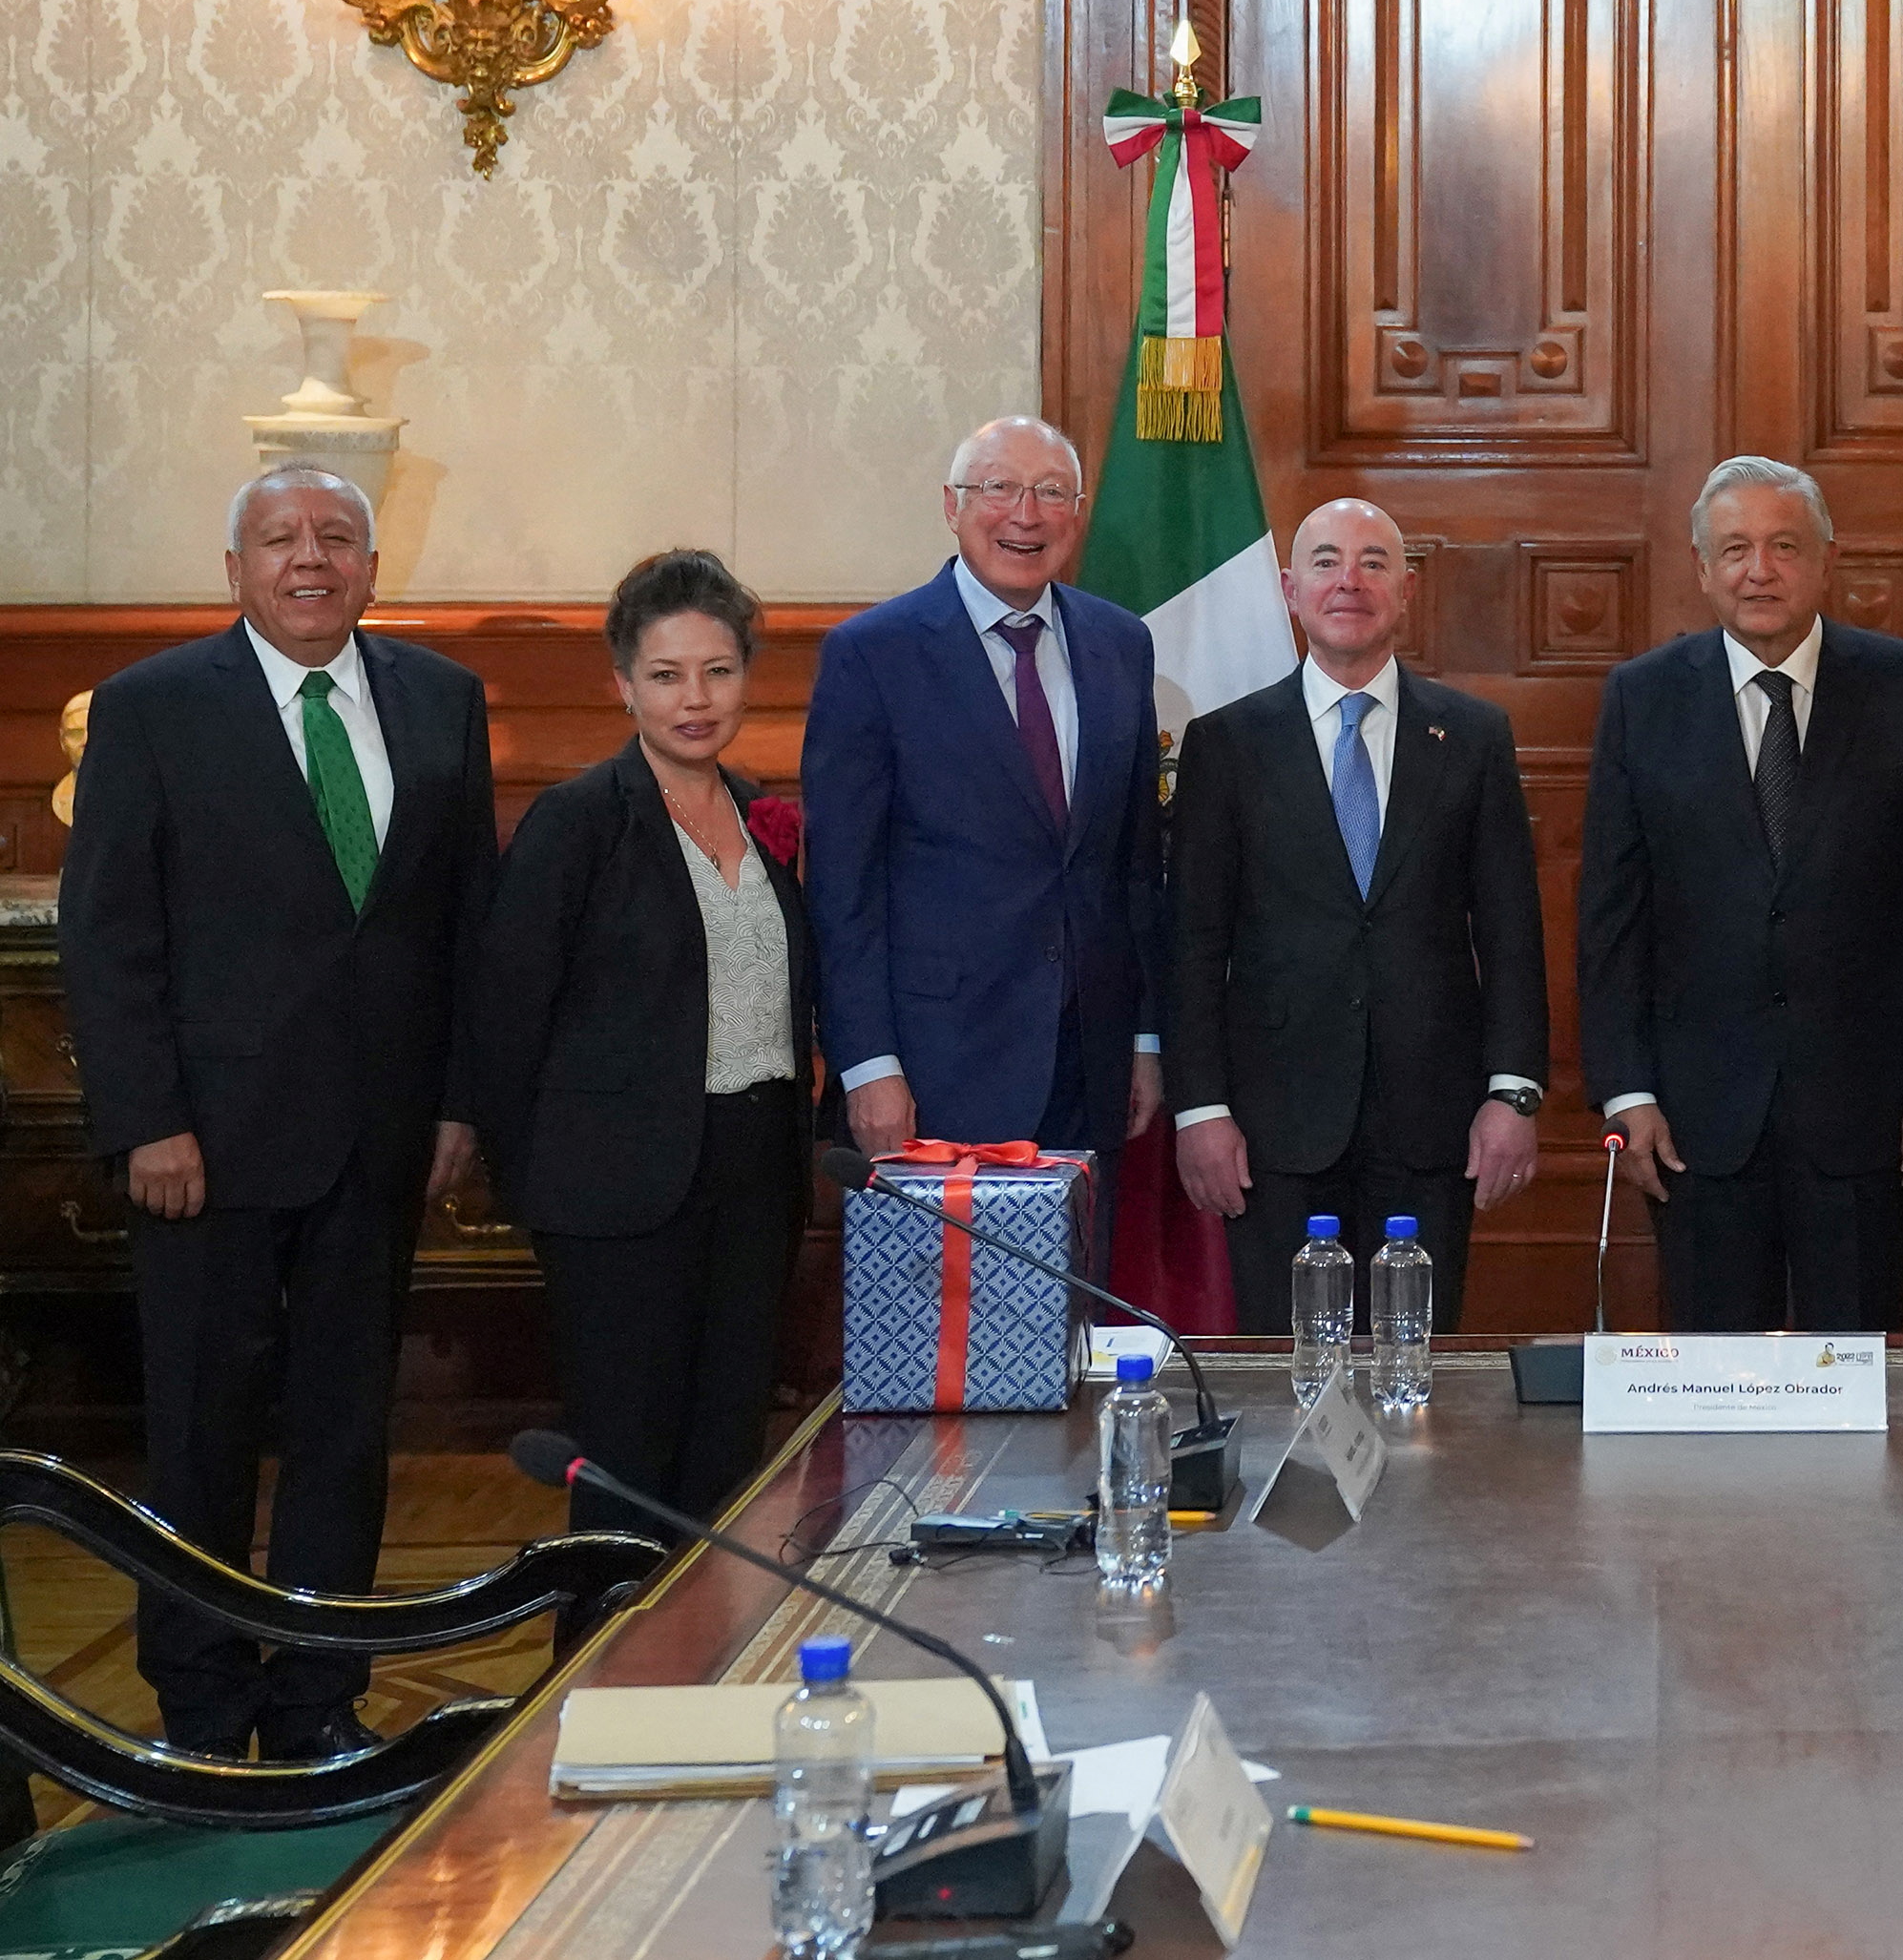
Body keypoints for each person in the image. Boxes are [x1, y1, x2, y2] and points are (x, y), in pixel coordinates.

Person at [55, 463, 496, 1760]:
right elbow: (111, 935)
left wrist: (459, 1103)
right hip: (206, 1145)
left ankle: (319, 1695)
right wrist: (147, 1118)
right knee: (199, 1432)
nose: (311, 557)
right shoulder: (149, 707)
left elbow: (466, 922)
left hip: (382, 1139)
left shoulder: (443, 698)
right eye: (280, 538)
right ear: (237, 566)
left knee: (345, 1433)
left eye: (338, 537)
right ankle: (199, 1702)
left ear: (372, 561)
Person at [1578, 455, 1903, 1330]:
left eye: (1783, 546)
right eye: (1734, 548)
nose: (1758, 570)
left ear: (1826, 559)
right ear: (1701, 568)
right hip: (1694, 1118)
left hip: (1868, 1109)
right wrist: (1626, 1090)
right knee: (1712, 1385)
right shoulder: (1640, 698)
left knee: (1859, 1372)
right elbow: (1612, 918)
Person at [472, 551, 812, 1535]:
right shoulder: (577, 823)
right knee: (627, 1463)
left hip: (754, 1175)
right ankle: (598, 1672)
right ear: (623, 684)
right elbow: (508, 1023)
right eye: (666, 676)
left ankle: (703, 1676)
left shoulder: (763, 815)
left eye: (717, 671)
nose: (694, 699)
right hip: (615, 1194)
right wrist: (534, 1190)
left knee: (725, 1457)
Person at [1166, 498, 1549, 1330]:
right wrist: (1200, 1107)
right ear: (1290, 589)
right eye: (1328, 561)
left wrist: (1513, 1092)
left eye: (1374, 562)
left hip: (1433, 1122)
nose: (1350, 580)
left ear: (1406, 590)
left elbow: (1512, 931)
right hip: (1274, 1129)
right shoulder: (1226, 744)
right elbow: (1193, 943)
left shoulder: (1474, 736)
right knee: (1286, 1375)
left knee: (1416, 1376)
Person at [804, 417, 1166, 1158]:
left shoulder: (1121, 644)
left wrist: (1144, 1036)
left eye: (1051, 492)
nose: (1025, 514)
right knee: (942, 1280)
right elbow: (844, 887)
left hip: (1089, 1060)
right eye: (998, 487)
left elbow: (1134, 864)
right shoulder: (872, 654)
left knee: (1073, 1275)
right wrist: (867, 1064)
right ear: (952, 505)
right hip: (936, 1064)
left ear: (1078, 510)